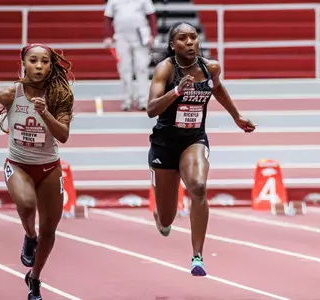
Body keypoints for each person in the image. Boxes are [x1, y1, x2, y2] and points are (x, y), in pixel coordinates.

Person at [146, 21, 256, 276]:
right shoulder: (165, 69)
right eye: (183, 39)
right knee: (167, 219)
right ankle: (160, 218)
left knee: (198, 186)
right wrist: (176, 91)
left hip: (193, 139)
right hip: (164, 144)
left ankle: (197, 256)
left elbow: (217, 89)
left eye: (193, 37)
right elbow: (151, 109)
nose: (189, 42)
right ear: (172, 45)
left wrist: (237, 117)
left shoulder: (210, 67)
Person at [0, 43, 74, 300]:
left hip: (49, 167)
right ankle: (29, 236)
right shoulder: (12, 93)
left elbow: (63, 136)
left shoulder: (60, 96)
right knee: (27, 204)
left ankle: (34, 278)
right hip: (18, 164)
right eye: (33, 61)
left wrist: (46, 114)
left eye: (44, 62)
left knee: (50, 232)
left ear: (51, 65)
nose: (39, 66)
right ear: (24, 63)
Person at [103, 0, 157, 111]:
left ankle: (143, 100)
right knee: (124, 68)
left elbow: (151, 16)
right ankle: (127, 100)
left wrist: (153, 35)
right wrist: (107, 36)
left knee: (141, 68)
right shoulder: (113, 1)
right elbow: (108, 18)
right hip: (121, 37)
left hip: (140, 35)